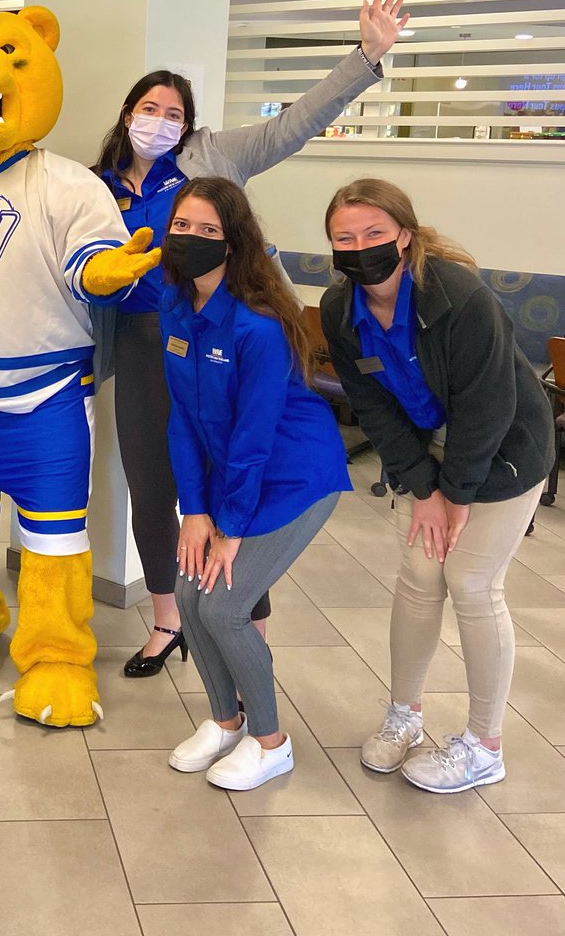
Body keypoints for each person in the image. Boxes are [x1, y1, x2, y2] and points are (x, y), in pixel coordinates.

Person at [95, 0, 408, 678]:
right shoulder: (95, 185)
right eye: (149, 108)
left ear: (190, 125)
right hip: (147, 345)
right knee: (153, 488)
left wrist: (366, 57)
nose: (160, 120)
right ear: (128, 114)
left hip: (225, 341)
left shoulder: (213, 157)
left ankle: (245, 622)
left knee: (235, 480)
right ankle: (168, 620)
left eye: (174, 113)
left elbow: (295, 122)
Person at [320, 179, 553, 793]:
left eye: (373, 233)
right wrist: (425, 490)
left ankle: (484, 745)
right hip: (431, 450)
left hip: (503, 447)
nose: (359, 246)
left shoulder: (458, 297)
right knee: (419, 578)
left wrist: (457, 495)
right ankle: (406, 716)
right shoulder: (338, 309)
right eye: (345, 237)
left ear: (403, 234)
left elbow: (487, 408)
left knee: (471, 583)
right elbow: (372, 405)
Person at [160, 179, 350, 790]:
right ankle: (225, 722)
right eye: (181, 227)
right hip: (233, 476)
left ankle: (272, 743)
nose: (190, 240)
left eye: (208, 231)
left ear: (234, 242)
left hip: (294, 475)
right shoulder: (175, 307)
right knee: (188, 596)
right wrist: (194, 511)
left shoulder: (258, 328)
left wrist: (230, 526)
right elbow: (183, 417)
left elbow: (254, 438)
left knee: (225, 604)